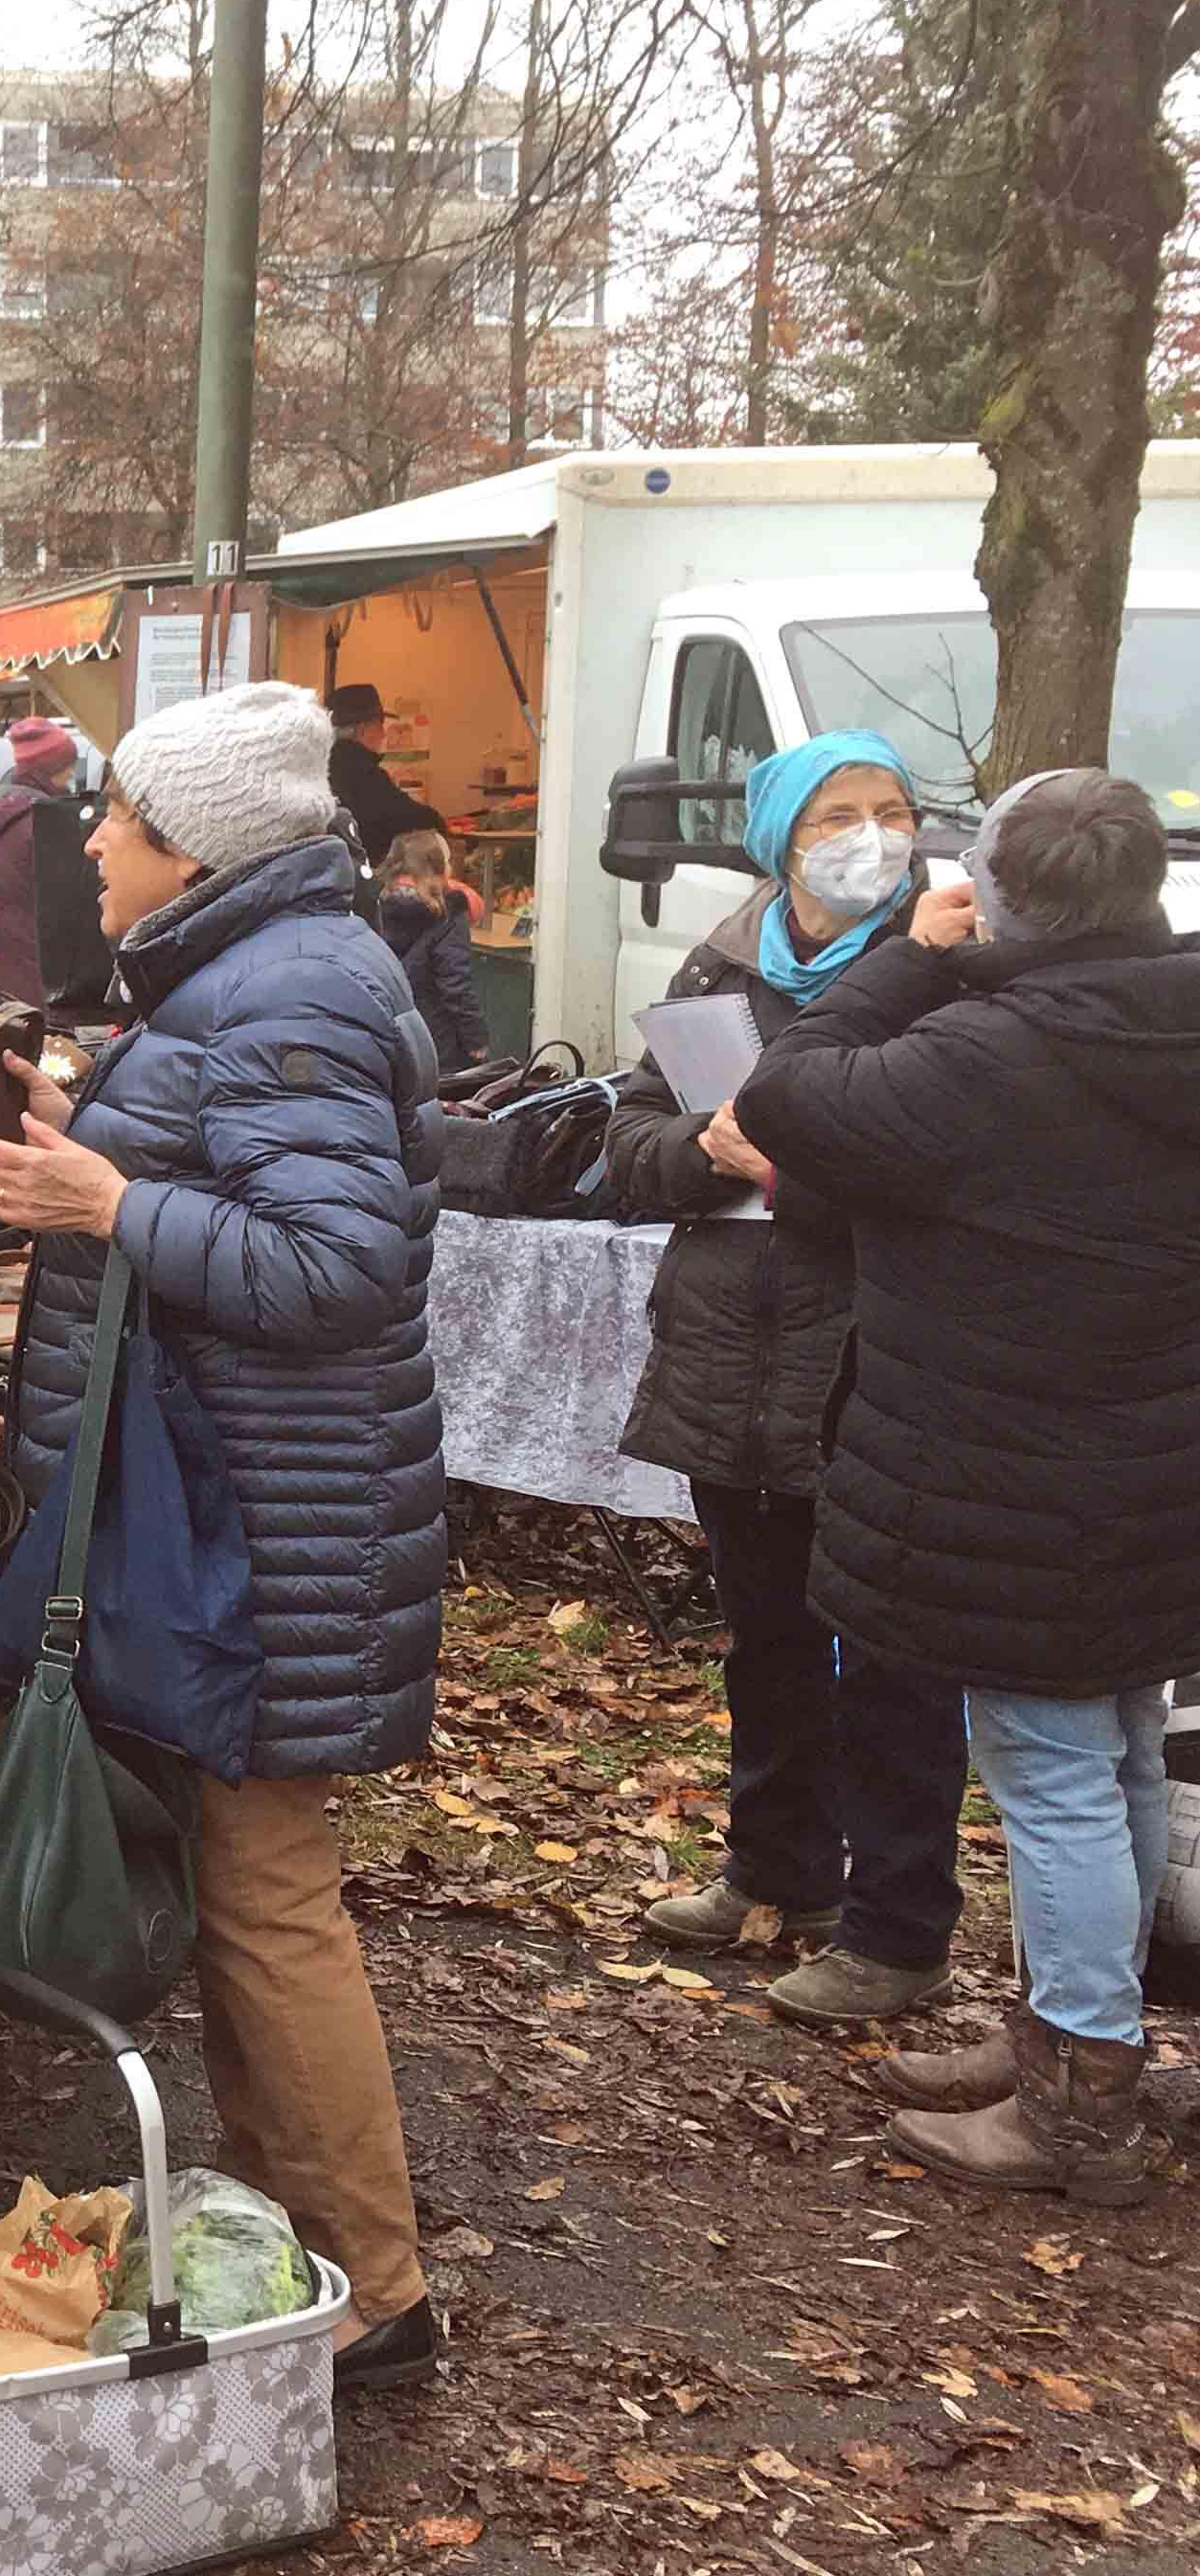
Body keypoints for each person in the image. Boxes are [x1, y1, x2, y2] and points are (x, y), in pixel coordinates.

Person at [0, 677, 446, 2394]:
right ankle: (311, 2241)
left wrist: (112, 1198)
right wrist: (87, 1152)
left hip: (267, 1528)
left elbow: (332, 1269)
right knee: (257, 1882)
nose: (89, 842)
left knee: (267, 1893)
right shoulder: (255, 979)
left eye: (115, 819)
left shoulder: (291, 990)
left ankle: (376, 2292)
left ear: (191, 851)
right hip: (248, 1510)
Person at [730, 771, 1200, 2203]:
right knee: (1114, 1748)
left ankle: (1081, 2099)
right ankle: (1079, 2040)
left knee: (1054, 1774)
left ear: (997, 895)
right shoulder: (1171, 1017)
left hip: (1014, 1481)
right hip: (1151, 1468)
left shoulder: (984, 1054)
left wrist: (907, 958)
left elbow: (782, 1094)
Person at [603, 732, 970, 2028]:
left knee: (890, 1656)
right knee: (764, 1637)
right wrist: (697, 1152)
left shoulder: (937, 967)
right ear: (779, 835)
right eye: (837, 812)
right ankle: (778, 1867)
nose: (869, 834)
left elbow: (942, 1158)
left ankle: (898, 1923)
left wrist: (787, 1172)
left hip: (872, 1355)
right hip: (729, 1355)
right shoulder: (718, 964)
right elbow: (625, 1140)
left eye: (891, 808)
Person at [0, 712, 95, 1007]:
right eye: (67, 768)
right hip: (36, 983)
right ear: (48, 770)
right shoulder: (43, 824)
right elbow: (69, 908)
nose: (72, 777)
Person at [374, 828, 490, 1080]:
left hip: (386, 1036)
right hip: (437, 1041)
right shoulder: (448, 913)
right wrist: (476, 1040)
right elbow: (456, 985)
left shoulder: (375, 905)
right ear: (438, 868)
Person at [325, 684, 445, 864]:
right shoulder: (365, 774)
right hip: (364, 879)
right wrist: (441, 823)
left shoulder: (319, 768)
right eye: (380, 725)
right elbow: (415, 818)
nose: (383, 735)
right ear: (362, 729)